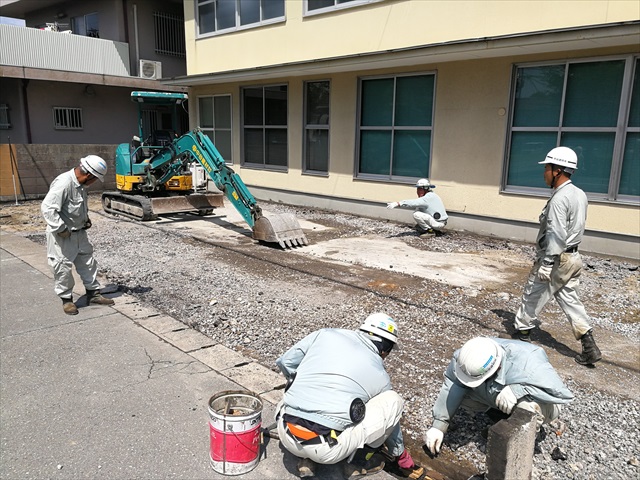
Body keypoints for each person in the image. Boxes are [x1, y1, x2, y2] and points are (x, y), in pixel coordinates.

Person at [275, 313, 423, 479]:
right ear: (385, 350)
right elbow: (390, 420)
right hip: (326, 451)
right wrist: (400, 454)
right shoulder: (381, 376)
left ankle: (306, 460)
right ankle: (356, 463)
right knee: (393, 400)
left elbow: (285, 362)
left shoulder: (324, 334)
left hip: (285, 433)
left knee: (293, 388)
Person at [512, 146, 602, 366]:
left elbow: (556, 233)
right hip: (573, 258)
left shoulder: (559, 199)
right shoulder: (579, 194)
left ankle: (522, 335)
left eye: (547, 168)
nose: (544, 172)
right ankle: (589, 345)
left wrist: (547, 262)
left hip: (556, 259)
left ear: (558, 171)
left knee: (533, 294)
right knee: (570, 299)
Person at [423, 337, 574, 456]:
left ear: (498, 366)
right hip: (497, 392)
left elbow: (561, 394)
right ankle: (503, 418)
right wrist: (439, 425)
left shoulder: (528, 361)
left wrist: (518, 390)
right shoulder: (465, 358)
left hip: (545, 404)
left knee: (528, 407)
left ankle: (519, 447)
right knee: (462, 393)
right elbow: (453, 384)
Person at [41, 155, 115, 315]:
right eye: (95, 179)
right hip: (63, 235)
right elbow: (48, 208)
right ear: (89, 175)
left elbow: (77, 206)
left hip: (79, 232)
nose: (95, 182)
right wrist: (60, 228)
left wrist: (85, 219)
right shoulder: (64, 183)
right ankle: (66, 300)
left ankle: (93, 294)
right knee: (62, 267)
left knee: (88, 262)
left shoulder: (81, 185)